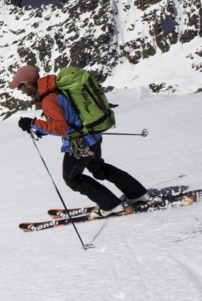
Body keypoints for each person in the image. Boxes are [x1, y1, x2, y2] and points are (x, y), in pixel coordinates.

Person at [9, 65, 150, 217]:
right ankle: (138, 193)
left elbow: (60, 128)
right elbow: (68, 117)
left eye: (20, 87)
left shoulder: (48, 98)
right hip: (92, 134)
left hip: (81, 143)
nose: (20, 90)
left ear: (28, 83)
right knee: (99, 169)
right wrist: (43, 129)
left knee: (72, 178)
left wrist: (32, 123)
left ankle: (111, 205)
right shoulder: (56, 88)